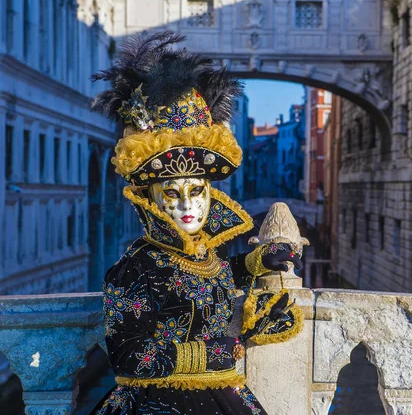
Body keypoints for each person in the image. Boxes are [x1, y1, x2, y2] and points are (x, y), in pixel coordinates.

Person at [90, 32, 304, 415]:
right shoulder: (135, 267)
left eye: (197, 191)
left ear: (210, 193)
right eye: (173, 193)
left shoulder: (204, 253)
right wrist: (217, 352)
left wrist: (256, 262)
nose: (189, 205)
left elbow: (208, 281)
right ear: (150, 197)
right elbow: (127, 356)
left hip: (223, 394)